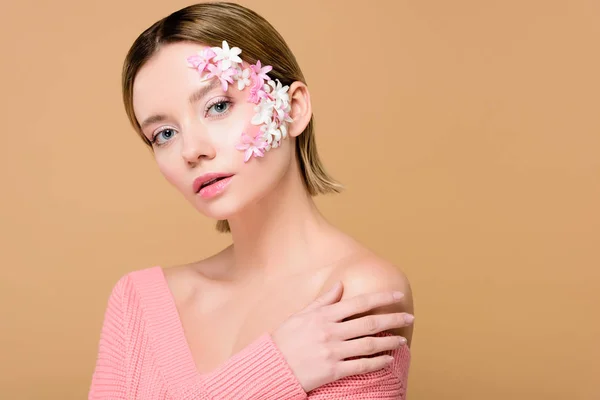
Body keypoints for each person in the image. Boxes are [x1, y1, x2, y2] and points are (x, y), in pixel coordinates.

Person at [89, 2, 415, 399]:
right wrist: (273, 369)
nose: (192, 150)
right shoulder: (138, 302)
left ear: (293, 109)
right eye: (164, 134)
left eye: (219, 106)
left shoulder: (356, 294)